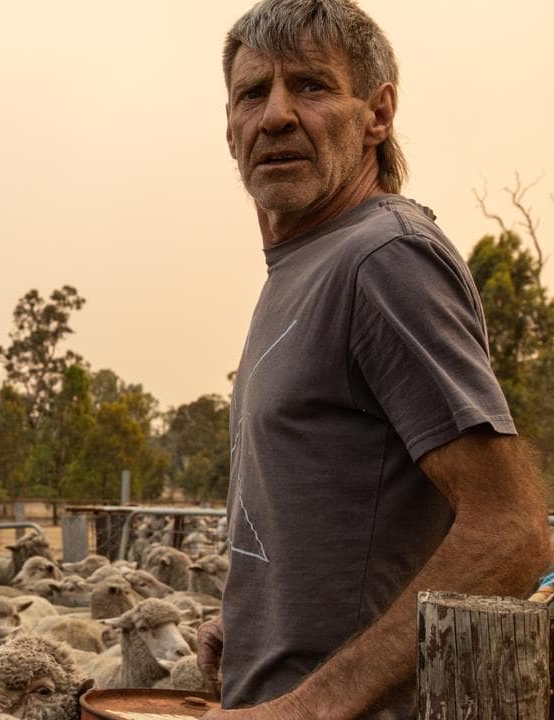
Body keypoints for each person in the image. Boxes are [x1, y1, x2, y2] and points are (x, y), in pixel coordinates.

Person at [198, 2, 551, 718]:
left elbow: (510, 530)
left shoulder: (382, 258)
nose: (275, 116)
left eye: (311, 86)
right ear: (228, 126)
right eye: (251, 94)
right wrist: (258, 629)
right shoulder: (304, 267)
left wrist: (313, 704)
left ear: (378, 114)